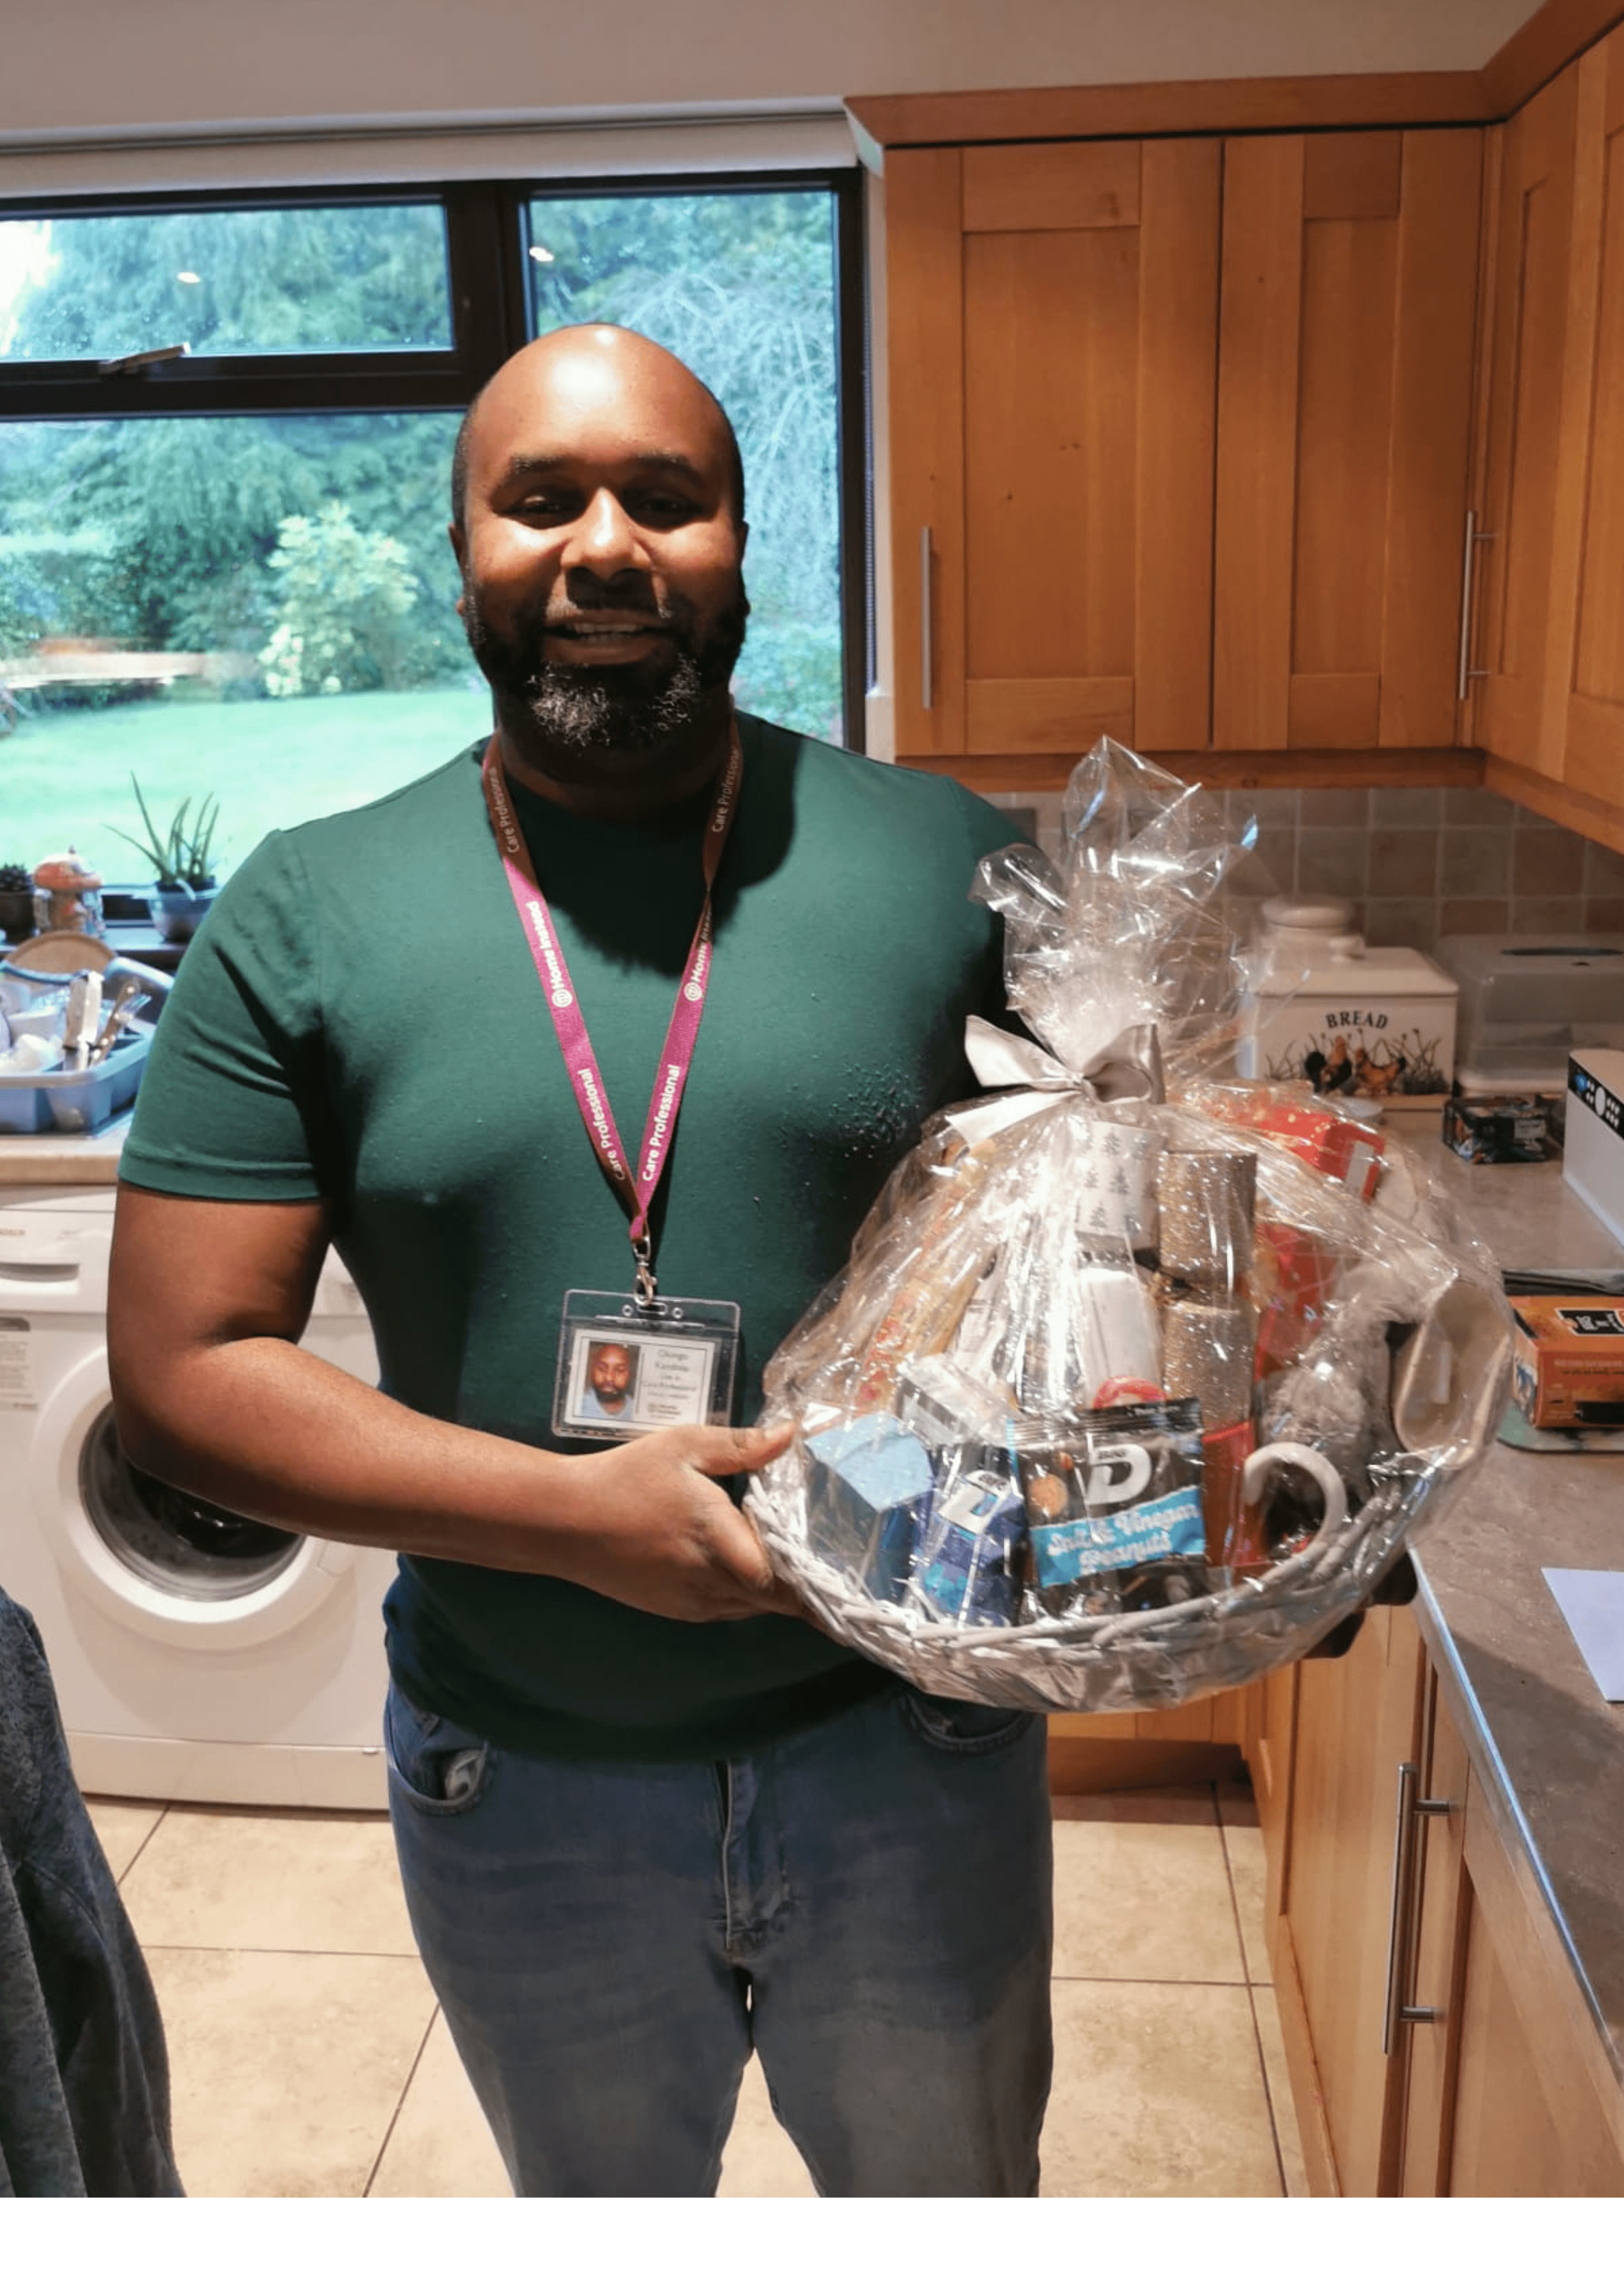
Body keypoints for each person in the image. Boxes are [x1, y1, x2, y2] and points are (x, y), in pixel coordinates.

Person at [106, 323, 1053, 2199]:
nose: (604, 548)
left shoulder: (954, 866)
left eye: (664, 497)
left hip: (908, 1742)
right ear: (465, 552)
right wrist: (576, 1518)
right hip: (520, 1779)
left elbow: (1127, 1262)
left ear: (738, 546)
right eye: (540, 499)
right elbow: (184, 1375)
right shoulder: (309, 908)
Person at [577, 1338, 637, 1424]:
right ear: (592, 1369)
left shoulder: (637, 1410)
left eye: (620, 1370)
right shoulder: (578, 1405)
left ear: (630, 1375)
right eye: (602, 1369)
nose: (609, 1378)